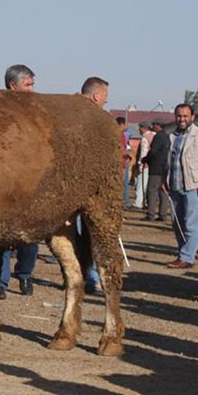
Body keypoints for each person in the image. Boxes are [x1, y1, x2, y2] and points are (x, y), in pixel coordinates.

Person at [0, 64, 38, 299]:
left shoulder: (36, 112)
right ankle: (0, 282)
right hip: (4, 182)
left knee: (30, 235)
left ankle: (24, 274)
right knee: (1, 236)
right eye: (28, 85)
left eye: (32, 84)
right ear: (13, 86)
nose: (32, 90)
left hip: (29, 182)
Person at [165, 104, 198, 269]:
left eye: (185, 116)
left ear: (192, 117)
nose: (182, 119)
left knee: (191, 224)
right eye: (179, 116)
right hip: (175, 186)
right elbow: (169, 163)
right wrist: (165, 182)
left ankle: (187, 257)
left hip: (194, 185)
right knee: (177, 223)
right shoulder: (172, 137)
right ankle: (182, 254)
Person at [77, 76, 111, 296]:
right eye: (106, 97)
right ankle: (91, 277)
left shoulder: (71, 117)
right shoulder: (96, 121)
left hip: (81, 186)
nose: (106, 102)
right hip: (87, 187)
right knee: (91, 234)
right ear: (97, 96)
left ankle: (86, 276)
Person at [143, 120, 171, 221]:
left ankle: (150, 214)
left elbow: (153, 151)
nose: (153, 126)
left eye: (154, 124)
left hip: (156, 168)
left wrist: (146, 159)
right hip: (164, 168)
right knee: (163, 191)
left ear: (159, 126)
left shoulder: (158, 137)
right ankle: (162, 215)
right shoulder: (167, 136)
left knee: (152, 191)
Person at [133, 122, 154, 210]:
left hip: (145, 165)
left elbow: (143, 153)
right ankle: (145, 202)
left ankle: (138, 203)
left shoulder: (145, 138)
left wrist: (140, 166)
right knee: (147, 185)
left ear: (143, 128)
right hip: (152, 165)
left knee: (140, 184)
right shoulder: (153, 136)